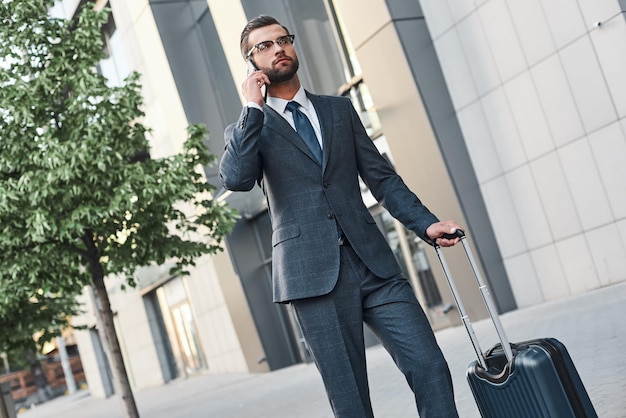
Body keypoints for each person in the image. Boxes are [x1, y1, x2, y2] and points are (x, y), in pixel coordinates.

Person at [219, 15, 462, 418]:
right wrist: (251, 107)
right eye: (263, 46)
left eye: (283, 40)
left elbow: (382, 178)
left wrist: (426, 224)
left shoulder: (339, 109)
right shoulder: (249, 126)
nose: (278, 48)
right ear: (250, 64)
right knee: (351, 401)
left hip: (374, 266)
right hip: (311, 278)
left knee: (430, 365)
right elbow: (236, 178)